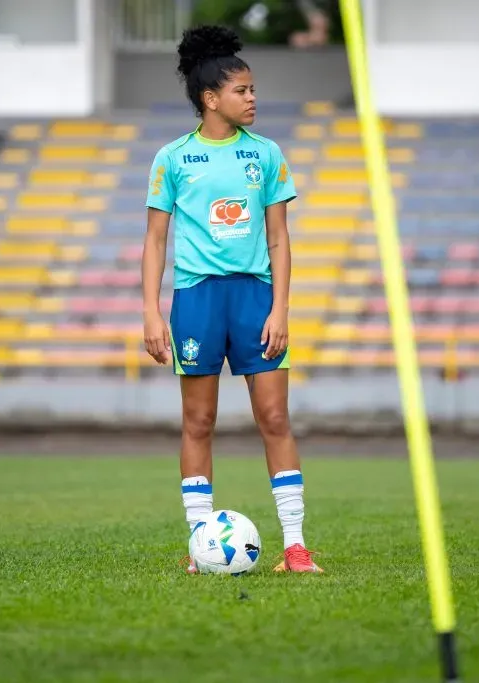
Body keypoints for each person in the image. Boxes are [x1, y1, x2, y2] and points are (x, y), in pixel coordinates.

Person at [141, 25, 321, 574]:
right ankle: (202, 547)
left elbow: (279, 238)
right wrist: (151, 312)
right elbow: (155, 241)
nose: (252, 98)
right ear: (209, 98)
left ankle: (295, 549)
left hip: (255, 298)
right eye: (242, 90)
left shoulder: (266, 156)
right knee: (198, 423)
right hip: (196, 300)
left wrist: (280, 308)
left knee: (274, 417)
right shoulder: (172, 159)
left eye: (253, 89)